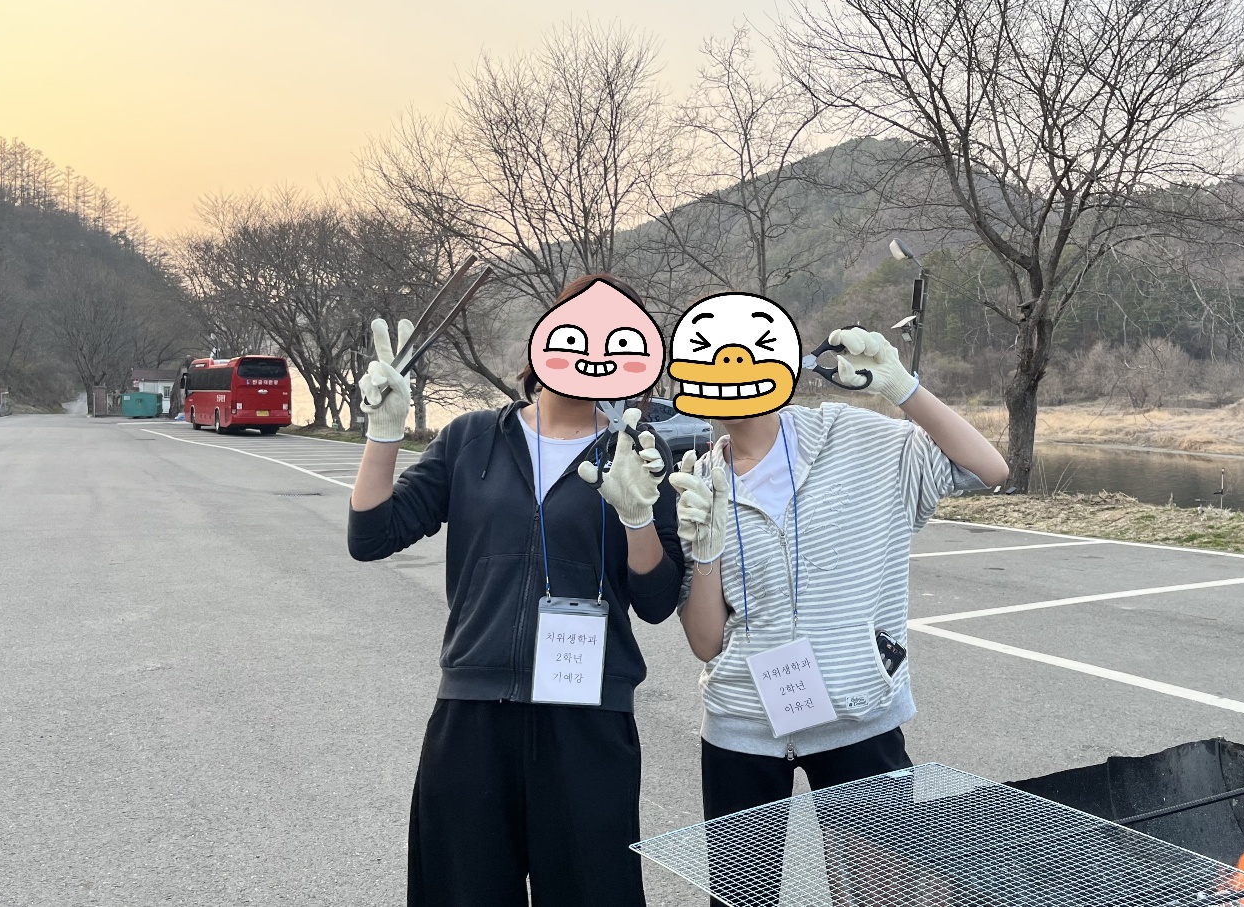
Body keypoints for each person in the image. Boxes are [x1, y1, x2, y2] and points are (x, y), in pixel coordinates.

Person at [347, 275, 685, 907]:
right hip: (473, 714)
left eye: (618, 340)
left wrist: (638, 518)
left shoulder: (638, 452)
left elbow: (658, 601)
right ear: (543, 340)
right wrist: (383, 432)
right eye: (577, 333)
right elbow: (371, 536)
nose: (593, 353)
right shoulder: (471, 438)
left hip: (589, 718)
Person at [671, 325, 1010, 904]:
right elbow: (705, 641)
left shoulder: (856, 438)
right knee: (739, 899)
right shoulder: (698, 480)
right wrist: (704, 552)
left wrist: (904, 389)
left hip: (860, 718)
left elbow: (988, 469)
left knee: (879, 894)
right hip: (741, 725)